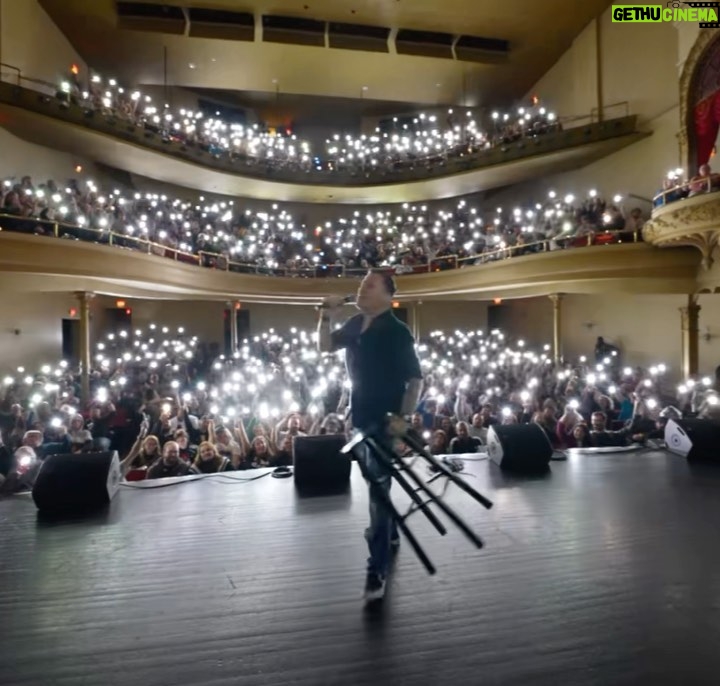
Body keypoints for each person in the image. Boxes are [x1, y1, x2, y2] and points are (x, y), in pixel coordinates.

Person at [318, 270, 423, 603]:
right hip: (361, 418)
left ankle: (376, 568)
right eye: (361, 285)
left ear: (388, 295)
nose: (361, 289)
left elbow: (415, 380)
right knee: (379, 485)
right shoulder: (353, 324)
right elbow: (324, 346)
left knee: (378, 492)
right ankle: (388, 533)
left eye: (370, 285)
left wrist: (403, 417)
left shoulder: (397, 331)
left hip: (386, 420)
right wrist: (324, 316)